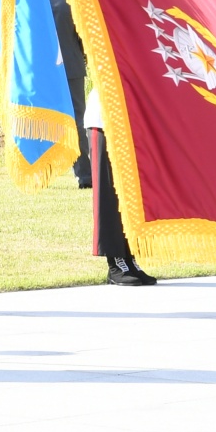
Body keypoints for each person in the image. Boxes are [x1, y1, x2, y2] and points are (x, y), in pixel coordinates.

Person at [84, 86, 154, 286]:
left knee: (131, 196)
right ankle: (115, 261)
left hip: (130, 120)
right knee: (108, 193)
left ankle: (129, 256)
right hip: (104, 120)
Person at [42, 0, 89, 189]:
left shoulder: (29, 0)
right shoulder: (69, 0)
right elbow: (82, 36)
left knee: (42, 120)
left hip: (41, 71)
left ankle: (43, 171)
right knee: (77, 119)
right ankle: (84, 173)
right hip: (70, 66)